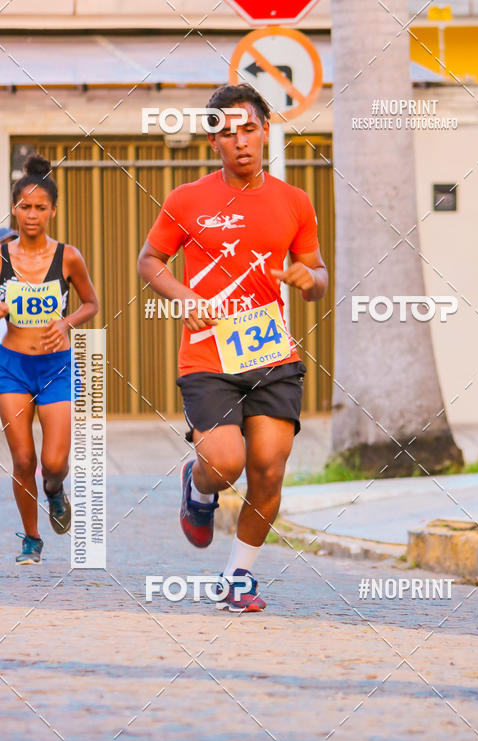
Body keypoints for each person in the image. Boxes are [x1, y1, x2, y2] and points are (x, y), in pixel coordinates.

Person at [138, 83, 328, 612]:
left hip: (271, 355)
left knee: (268, 468)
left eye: (249, 128)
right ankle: (199, 487)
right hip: (208, 355)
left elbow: (318, 274)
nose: (241, 141)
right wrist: (184, 295)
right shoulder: (187, 199)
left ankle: (237, 577)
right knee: (225, 463)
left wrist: (308, 280)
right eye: (228, 133)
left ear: (266, 129)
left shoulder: (294, 201)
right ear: (212, 141)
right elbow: (150, 260)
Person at [0, 154, 99, 564]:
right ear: (14, 209)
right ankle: (31, 538)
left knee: (54, 462)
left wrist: (67, 322)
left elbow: (91, 303)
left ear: (53, 211)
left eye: (40, 207)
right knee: (23, 459)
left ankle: (55, 491)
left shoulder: (68, 256)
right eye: (25, 206)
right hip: (12, 367)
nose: (32, 215)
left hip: (57, 367)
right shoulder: (2, 256)